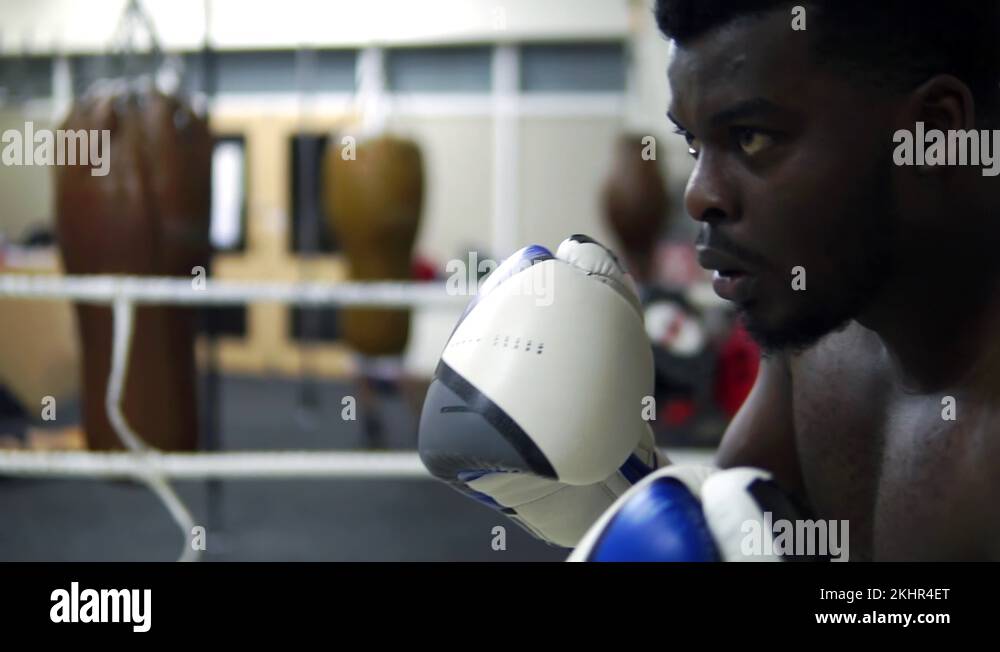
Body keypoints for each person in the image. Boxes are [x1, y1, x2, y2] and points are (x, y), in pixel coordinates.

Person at [652, 0, 1000, 560]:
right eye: (693, 143)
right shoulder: (817, 333)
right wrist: (606, 479)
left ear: (933, 133)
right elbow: (732, 534)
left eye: (751, 138)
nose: (698, 195)